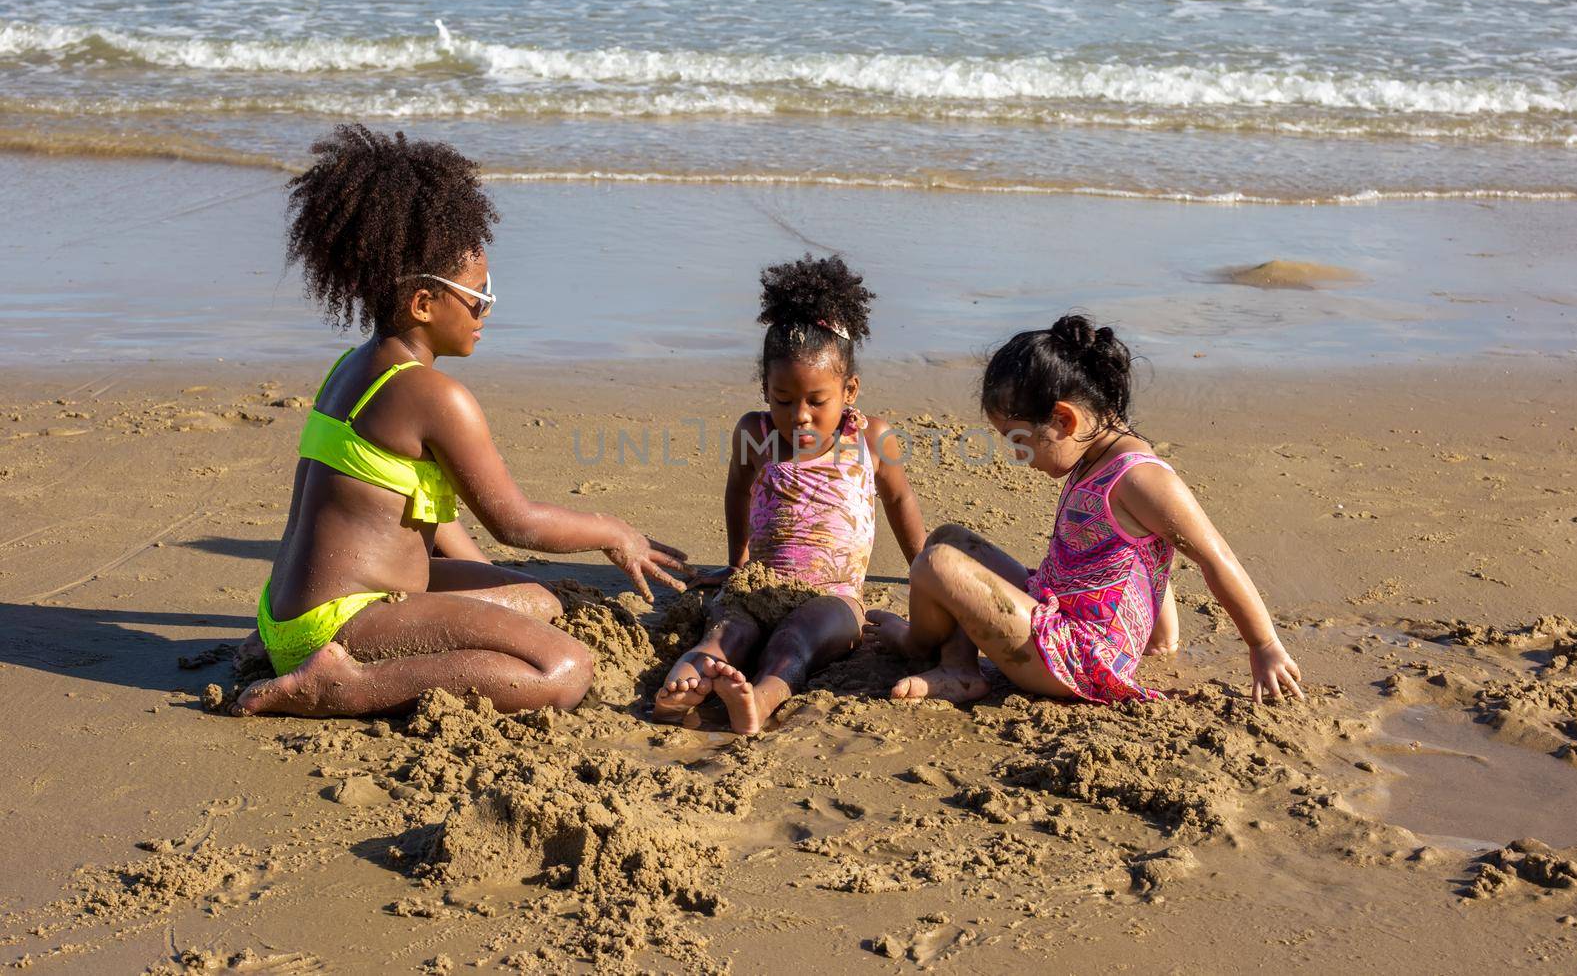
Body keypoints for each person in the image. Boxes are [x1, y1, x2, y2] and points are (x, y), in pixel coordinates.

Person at [235, 124, 692, 717]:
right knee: (564, 668)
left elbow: (420, 512)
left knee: (535, 603)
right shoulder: (434, 396)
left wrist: (491, 599)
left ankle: (299, 656)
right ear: (423, 303)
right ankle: (341, 686)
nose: (487, 309)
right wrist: (613, 530)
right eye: (477, 294)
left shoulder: (356, 367)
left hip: (289, 612)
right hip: (341, 622)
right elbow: (514, 522)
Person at [869, 314, 1303, 706]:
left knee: (937, 563)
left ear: (1063, 420)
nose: (1016, 456)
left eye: (1018, 440)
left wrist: (1263, 645)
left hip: (1077, 661)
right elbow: (1152, 551)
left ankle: (920, 647)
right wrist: (1162, 637)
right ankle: (960, 665)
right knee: (949, 539)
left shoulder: (1138, 478)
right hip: (1055, 615)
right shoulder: (1096, 458)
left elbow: (1215, 558)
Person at [654, 255, 926, 733]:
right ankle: (684, 685)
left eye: (816, 401)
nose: (799, 414)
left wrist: (923, 574)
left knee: (793, 642)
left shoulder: (872, 440)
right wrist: (737, 564)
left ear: (850, 390)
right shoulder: (755, 434)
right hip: (761, 583)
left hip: (835, 596)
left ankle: (760, 700)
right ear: (765, 389)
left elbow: (900, 501)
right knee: (726, 632)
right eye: (783, 399)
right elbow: (737, 491)